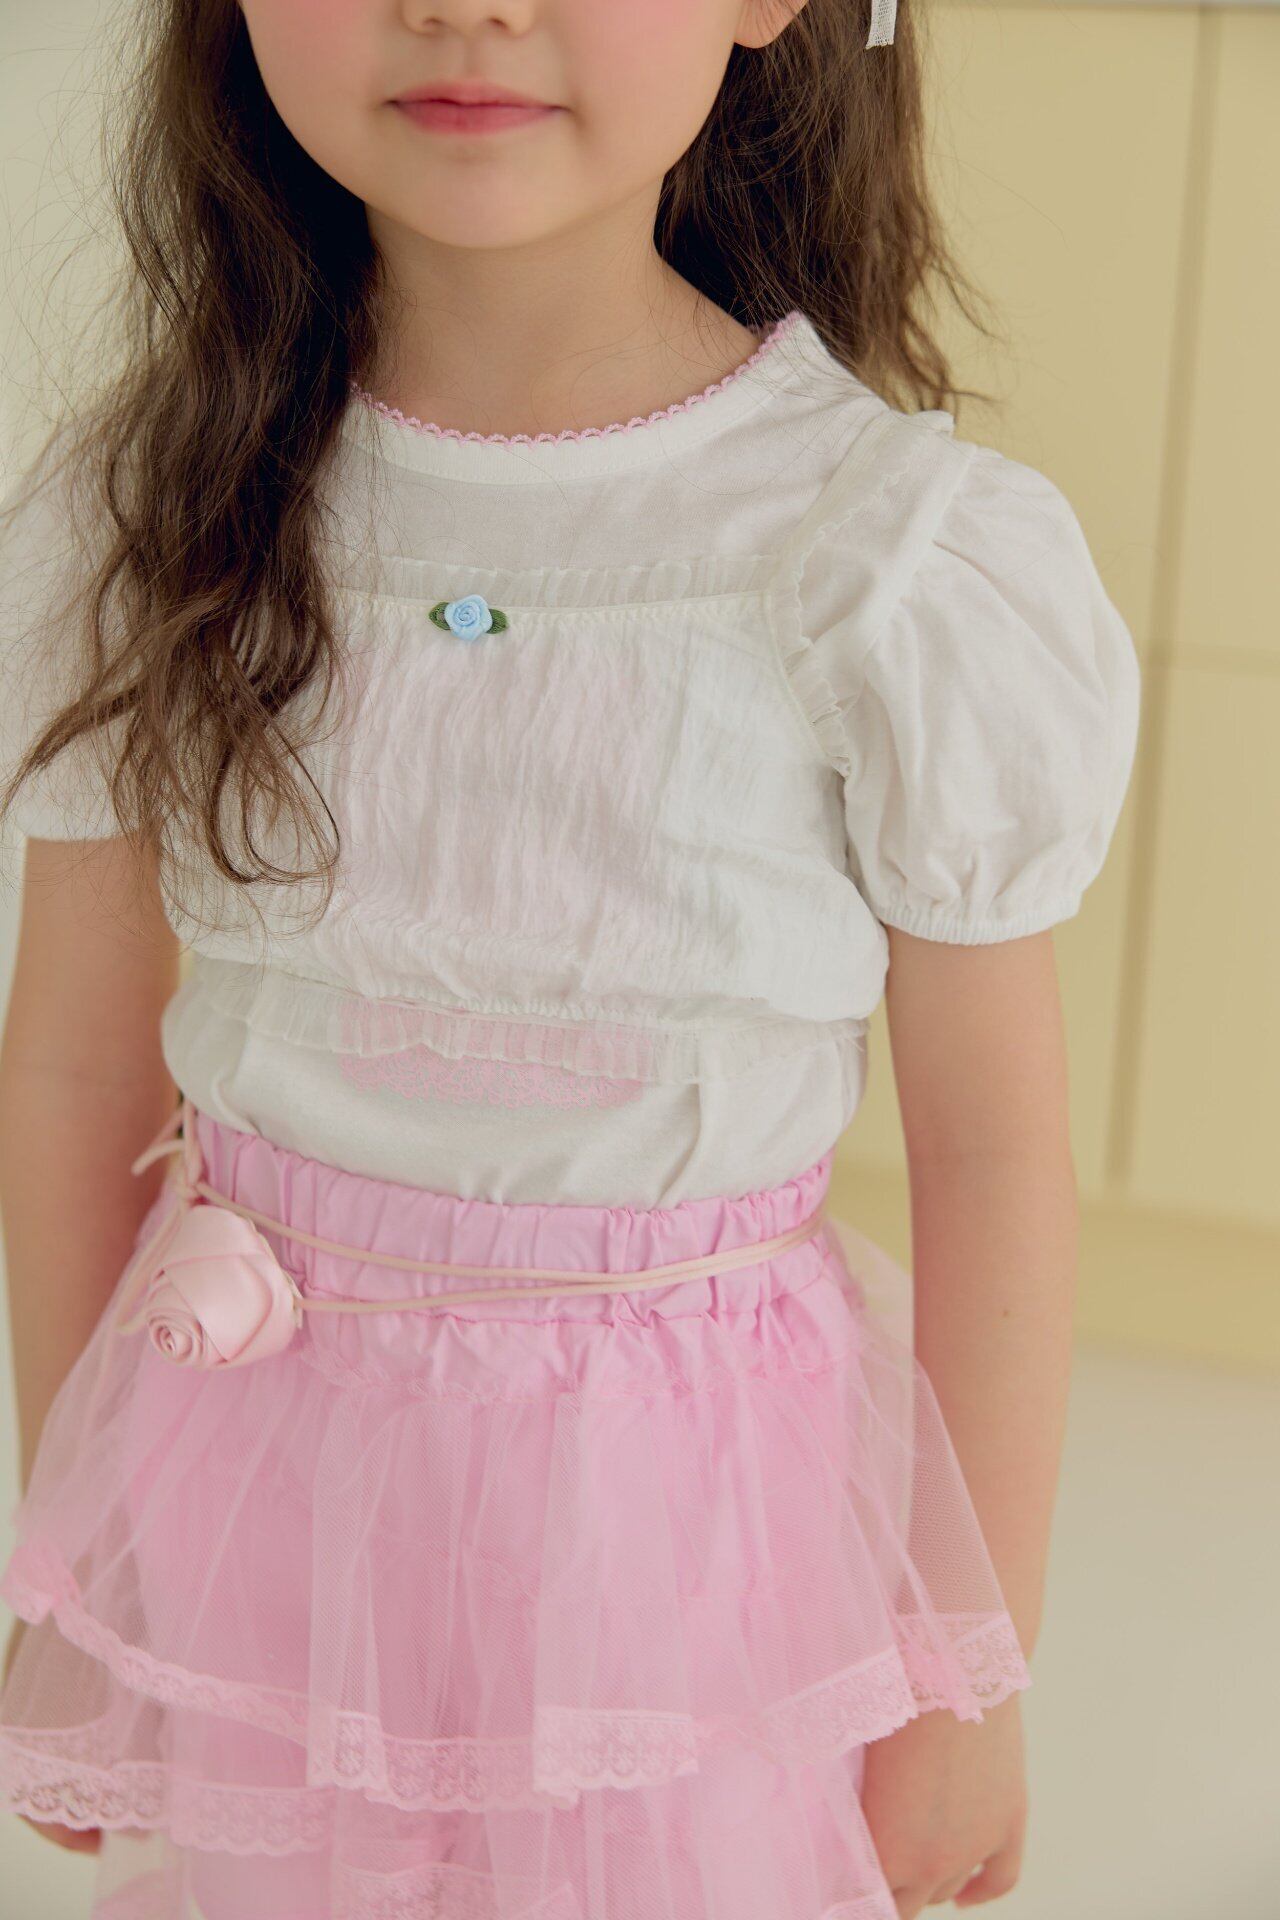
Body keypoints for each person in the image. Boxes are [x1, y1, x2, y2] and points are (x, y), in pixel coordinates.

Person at [0, 0, 1141, 1915]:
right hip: (266, 1494)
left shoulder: (884, 553)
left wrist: (971, 1675)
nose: (471, 7)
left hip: (682, 1544)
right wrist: (81, 1554)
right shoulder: (153, 506)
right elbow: (72, 1067)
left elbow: (994, 1151)